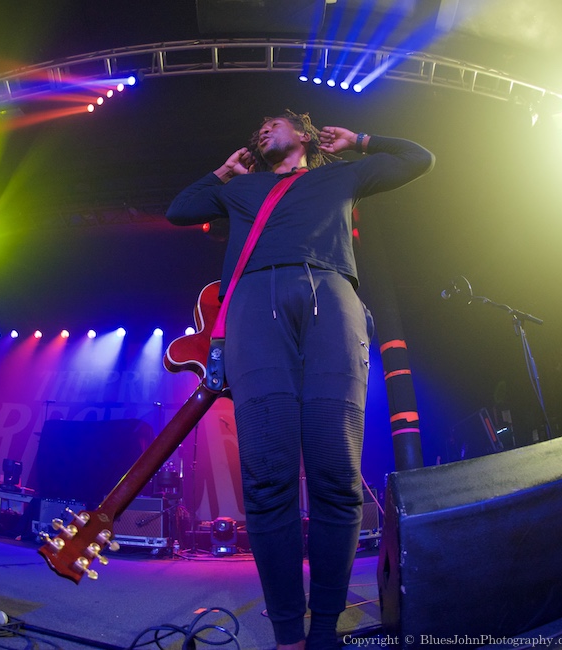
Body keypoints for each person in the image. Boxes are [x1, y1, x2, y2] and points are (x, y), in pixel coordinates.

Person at [165, 110, 434, 649]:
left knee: (337, 471)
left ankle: (326, 631)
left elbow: (418, 158)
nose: (262, 129)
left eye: (274, 123)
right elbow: (180, 210)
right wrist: (223, 172)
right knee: (268, 474)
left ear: (306, 134)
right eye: (257, 126)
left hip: (331, 298)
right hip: (254, 307)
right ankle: (289, 633)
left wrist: (359, 139)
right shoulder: (245, 190)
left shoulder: (340, 175)